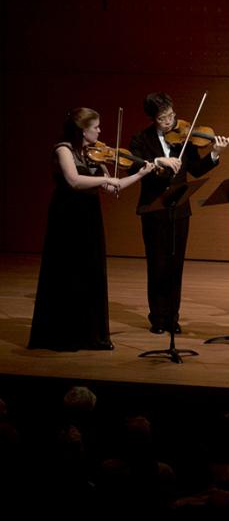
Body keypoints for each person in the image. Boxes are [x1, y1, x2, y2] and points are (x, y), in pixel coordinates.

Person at [29, 108, 155, 351]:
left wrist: (140, 174)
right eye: (95, 127)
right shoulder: (63, 149)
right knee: (68, 274)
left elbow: (112, 189)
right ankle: (65, 336)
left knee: (90, 273)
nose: (99, 131)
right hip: (67, 217)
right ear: (82, 130)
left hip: (89, 217)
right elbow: (74, 180)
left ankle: (89, 335)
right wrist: (106, 179)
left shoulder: (94, 155)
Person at [130, 92, 229, 334]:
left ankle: (173, 317)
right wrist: (158, 161)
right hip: (153, 210)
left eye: (172, 115)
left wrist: (214, 153)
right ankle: (158, 318)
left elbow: (195, 170)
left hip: (180, 211)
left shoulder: (185, 137)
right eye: (164, 118)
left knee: (176, 266)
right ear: (154, 118)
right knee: (157, 265)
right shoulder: (141, 139)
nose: (171, 121)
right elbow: (133, 165)